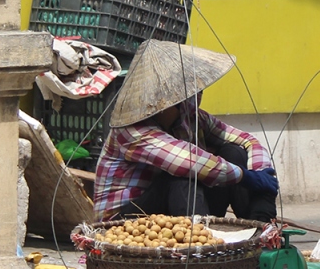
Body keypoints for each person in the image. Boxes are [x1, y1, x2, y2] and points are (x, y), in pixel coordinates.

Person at [93, 41, 279, 221]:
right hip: (125, 221)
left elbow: (247, 140)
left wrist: (260, 173)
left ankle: (259, 225)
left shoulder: (192, 117)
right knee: (184, 176)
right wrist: (244, 176)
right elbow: (189, 162)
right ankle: (200, 243)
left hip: (173, 211)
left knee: (233, 151)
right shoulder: (130, 130)